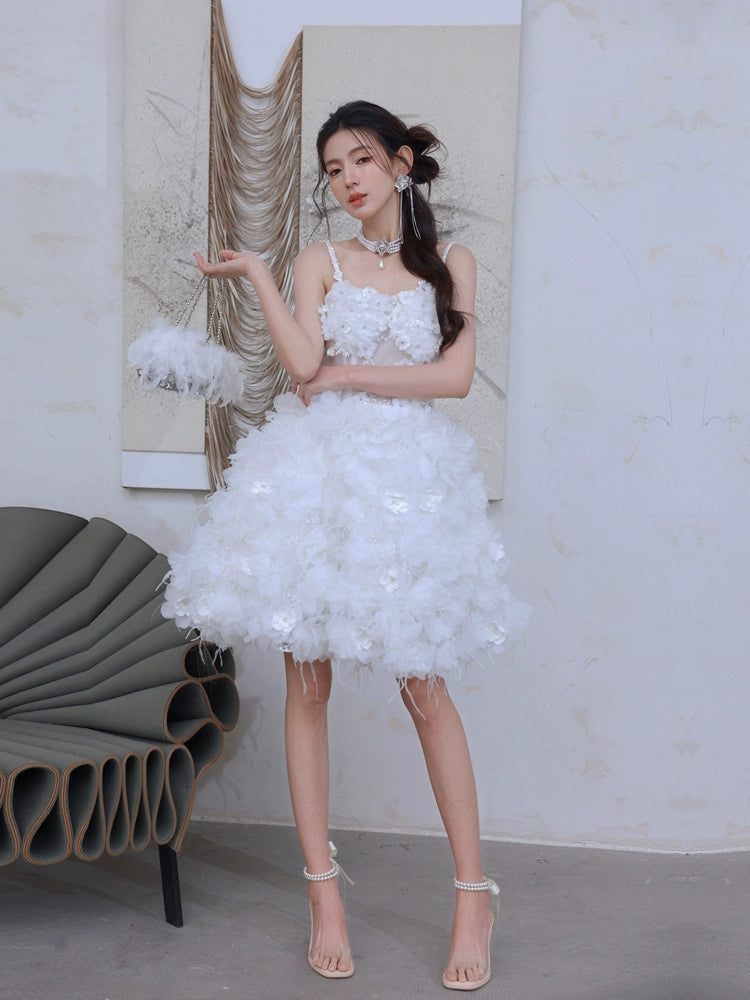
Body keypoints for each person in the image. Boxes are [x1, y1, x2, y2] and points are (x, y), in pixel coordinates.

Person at [162, 100, 528, 991]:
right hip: (316, 482)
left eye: (361, 159)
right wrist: (258, 274)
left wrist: (348, 375)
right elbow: (299, 367)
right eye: (332, 169)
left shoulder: (452, 261)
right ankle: (322, 895)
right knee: (307, 685)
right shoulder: (316, 261)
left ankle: (472, 897)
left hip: (409, 487)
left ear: (400, 163)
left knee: (424, 690)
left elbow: (453, 377)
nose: (347, 179)